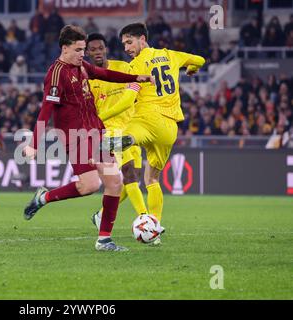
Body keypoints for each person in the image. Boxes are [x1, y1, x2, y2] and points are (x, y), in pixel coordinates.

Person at [22, 25, 154, 252]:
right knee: (93, 185)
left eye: (84, 49)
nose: (83, 54)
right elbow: (46, 110)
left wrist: (136, 78)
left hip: (96, 132)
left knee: (110, 183)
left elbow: (104, 74)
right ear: (65, 48)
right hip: (77, 137)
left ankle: (103, 239)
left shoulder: (80, 66)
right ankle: (45, 198)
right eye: (78, 49)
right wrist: (34, 144)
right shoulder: (56, 73)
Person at [100, 23, 205, 244]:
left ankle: (126, 140)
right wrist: (192, 69)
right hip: (170, 128)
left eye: (130, 42)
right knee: (152, 178)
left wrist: (101, 117)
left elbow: (128, 100)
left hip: (146, 120)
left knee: (130, 135)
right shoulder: (171, 55)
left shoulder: (136, 66)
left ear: (142, 39)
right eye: (124, 44)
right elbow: (200, 59)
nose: (127, 48)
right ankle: (154, 228)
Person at [85, 33, 148, 229]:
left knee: (133, 182)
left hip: (131, 128)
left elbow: (136, 92)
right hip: (109, 131)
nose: (97, 52)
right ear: (87, 52)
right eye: (93, 49)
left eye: (100, 48)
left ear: (106, 49)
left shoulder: (122, 68)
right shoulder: (87, 80)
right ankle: (146, 220)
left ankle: (101, 215)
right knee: (129, 173)